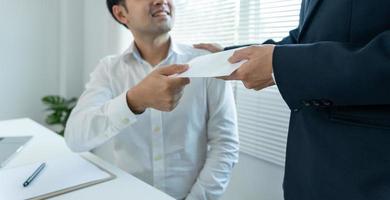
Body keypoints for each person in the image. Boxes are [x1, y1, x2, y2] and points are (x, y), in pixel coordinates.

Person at [195, 0, 390, 199]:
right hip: (310, 170)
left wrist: (279, 64)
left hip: (367, 171)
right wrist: (229, 55)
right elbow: (304, 38)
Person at [65, 0, 239, 199]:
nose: (161, 0)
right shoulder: (108, 70)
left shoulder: (206, 61)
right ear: (122, 14)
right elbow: (75, 138)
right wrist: (133, 101)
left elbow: (225, 144)